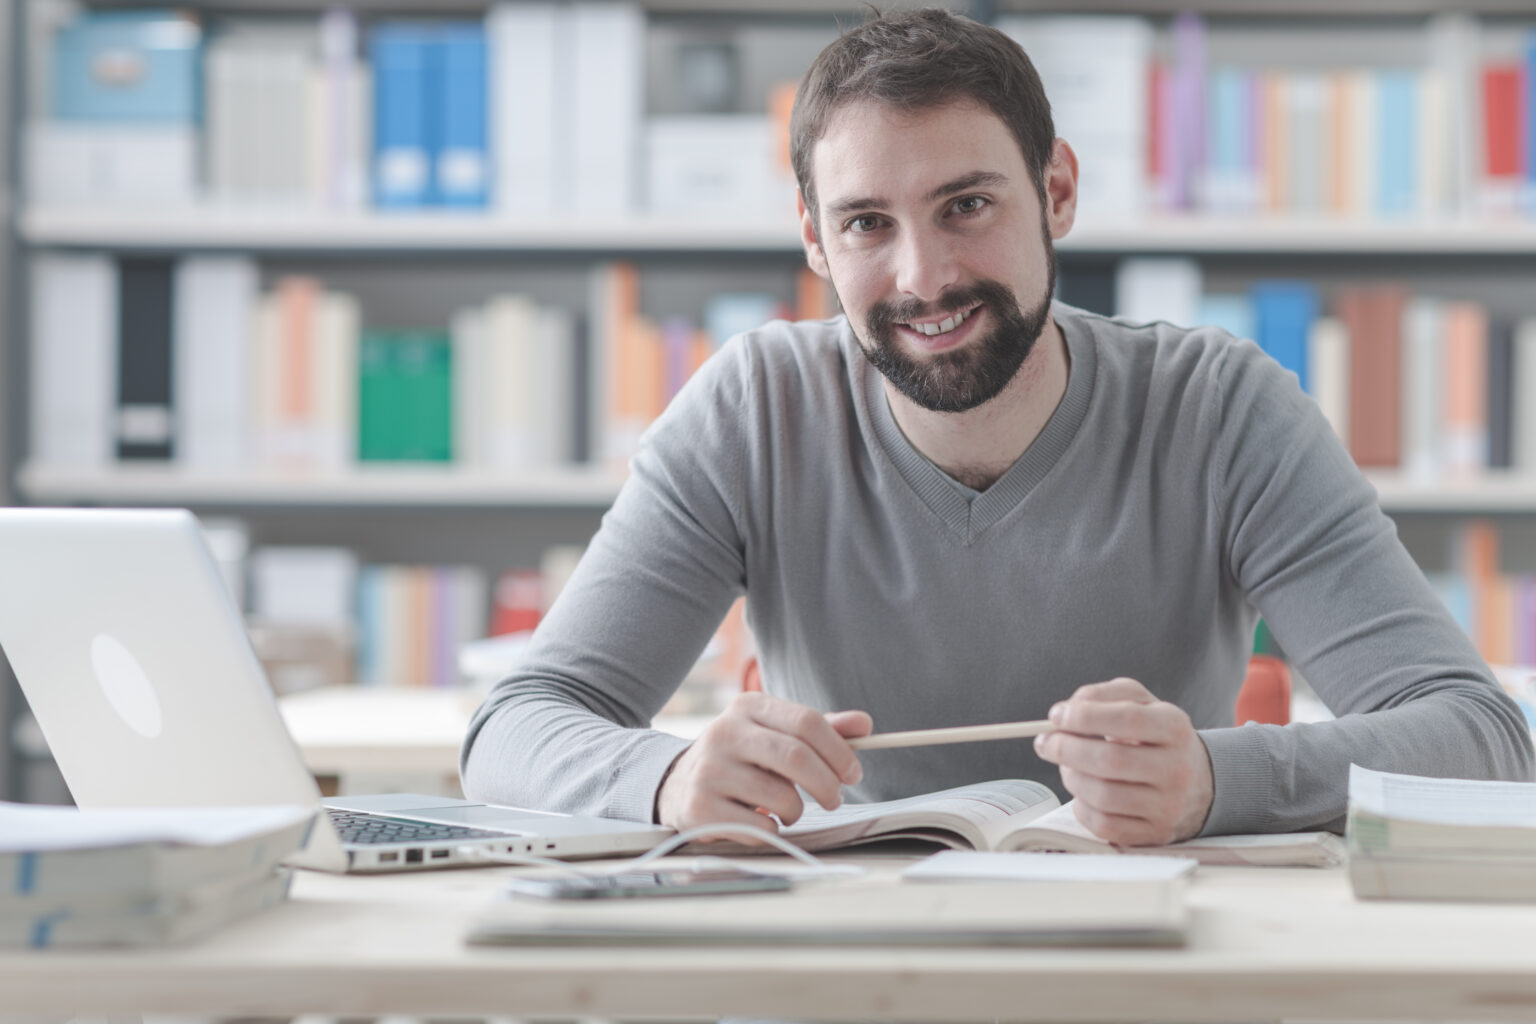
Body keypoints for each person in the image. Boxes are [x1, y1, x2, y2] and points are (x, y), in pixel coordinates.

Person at [461, 8, 1532, 846]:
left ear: (1055, 190)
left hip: (1141, 952)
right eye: (868, 224)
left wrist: (1215, 778)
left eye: (967, 204)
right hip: (841, 961)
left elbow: (1481, 740)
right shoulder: (752, 409)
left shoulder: (1221, 408)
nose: (923, 277)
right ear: (814, 242)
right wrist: (666, 776)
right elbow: (513, 727)